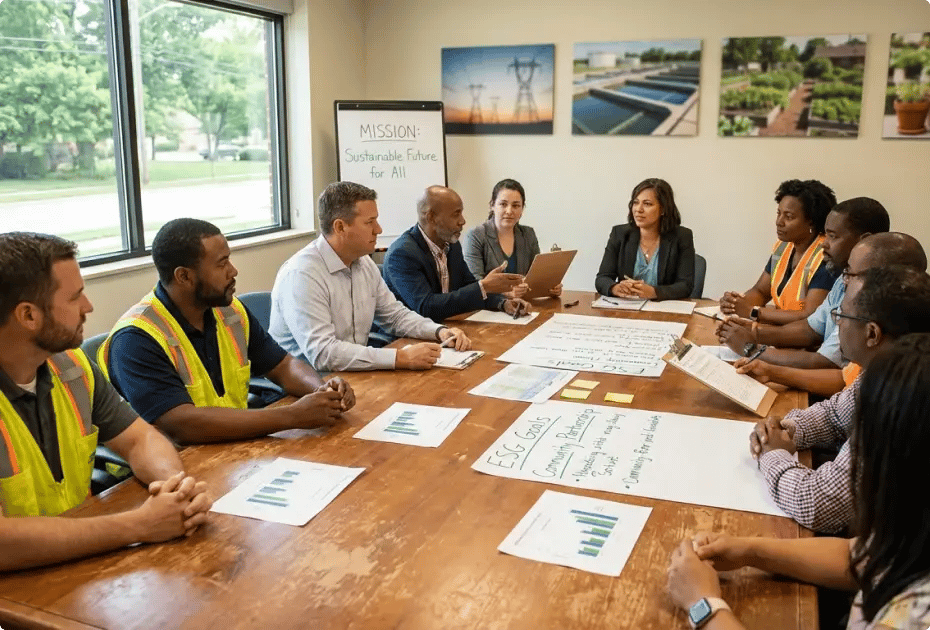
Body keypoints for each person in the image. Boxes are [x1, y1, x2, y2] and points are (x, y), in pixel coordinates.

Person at [667, 332, 930, 630]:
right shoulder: (915, 534)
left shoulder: (916, 614)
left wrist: (704, 606)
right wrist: (748, 550)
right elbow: (860, 557)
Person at [0, 232, 212, 572]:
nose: (88, 307)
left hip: (74, 564)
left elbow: (141, 439)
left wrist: (174, 490)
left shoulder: (72, 367)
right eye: (75, 297)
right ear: (28, 316)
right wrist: (140, 524)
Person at [101, 219, 356, 445]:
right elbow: (181, 423)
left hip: (233, 448)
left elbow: (283, 366)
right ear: (184, 277)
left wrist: (323, 393)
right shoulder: (136, 339)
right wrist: (292, 416)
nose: (233, 271)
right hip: (169, 474)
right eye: (222, 264)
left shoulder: (229, 311)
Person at [748, 265, 930, 534]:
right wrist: (786, 430)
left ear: (872, 334)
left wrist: (772, 454)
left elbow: (817, 504)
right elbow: (835, 415)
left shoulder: (905, 395)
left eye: (841, 315)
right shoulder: (884, 367)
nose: (837, 323)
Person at [270, 181, 471, 372]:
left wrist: (439, 331)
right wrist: (399, 358)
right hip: (308, 386)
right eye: (370, 222)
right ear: (340, 227)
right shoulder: (302, 275)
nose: (379, 229)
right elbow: (323, 354)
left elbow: (394, 316)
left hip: (353, 372)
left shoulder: (363, 262)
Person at [730, 232, 926, 397]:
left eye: (833, 235)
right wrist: (757, 339)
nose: (837, 319)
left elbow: (829, 367)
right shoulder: (846, 282)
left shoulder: (907, 386)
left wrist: (754, 348)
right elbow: (838, 400)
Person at [383, 185, 531, 322]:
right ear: (431, 218)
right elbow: (426, 307)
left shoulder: (451, 245)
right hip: (405, 340)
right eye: (456, 214)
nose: (463, 221)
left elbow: (468, 286)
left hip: (448, 328)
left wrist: (502, 303)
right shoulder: (402, 255)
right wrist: (484, 286)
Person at [720, 179, 838, 324]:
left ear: (811, 222)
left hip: (805, 341)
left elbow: (809, 317)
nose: (779, 222)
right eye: (779, 213)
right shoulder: (783, 247)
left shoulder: (826, 255)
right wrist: (736, 304)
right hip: (780, 330)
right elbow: (761, 292)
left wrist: (753, 312)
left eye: (788, 217)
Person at [595, 178, 695, 301]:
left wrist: (654, 292)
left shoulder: (682, 236)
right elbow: (602, 278)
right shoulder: (619, 234)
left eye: (647, 204)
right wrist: (614, 288)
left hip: (664, 312)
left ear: (663, 209)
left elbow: (685, 286)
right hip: (627, 310)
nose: (638, 209)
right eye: (635, 202)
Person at [462, 178, 562, 298]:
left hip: (523, 307)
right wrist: (507, 294)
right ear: (492, 205)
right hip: (488, 310)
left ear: (522, 209)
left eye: (515, 205)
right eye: (503, 204)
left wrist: (549, 287)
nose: (509, 211)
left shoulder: (528, 234)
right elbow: (474, 287)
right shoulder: (476, 235)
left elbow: (535, 278)